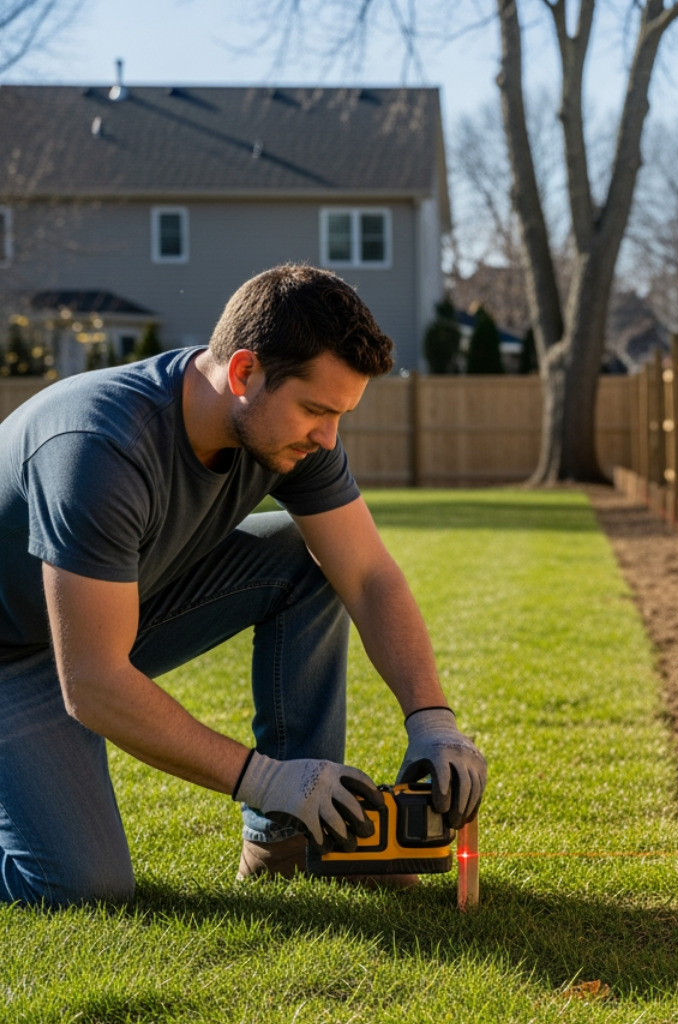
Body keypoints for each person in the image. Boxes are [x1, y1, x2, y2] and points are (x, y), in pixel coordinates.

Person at [0, 264, 487, 905]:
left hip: (105, 617)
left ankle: (286, 840)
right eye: (315, 409)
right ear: (243, 373)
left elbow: (367, 576)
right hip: (16, 654)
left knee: (300, 554)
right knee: (82, 889)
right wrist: (265, 778)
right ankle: (285, 803)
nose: (328, 437)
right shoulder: (99, 448)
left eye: (340, 414)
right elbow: (92, 682)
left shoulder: (287, 437)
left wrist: (433, 721)